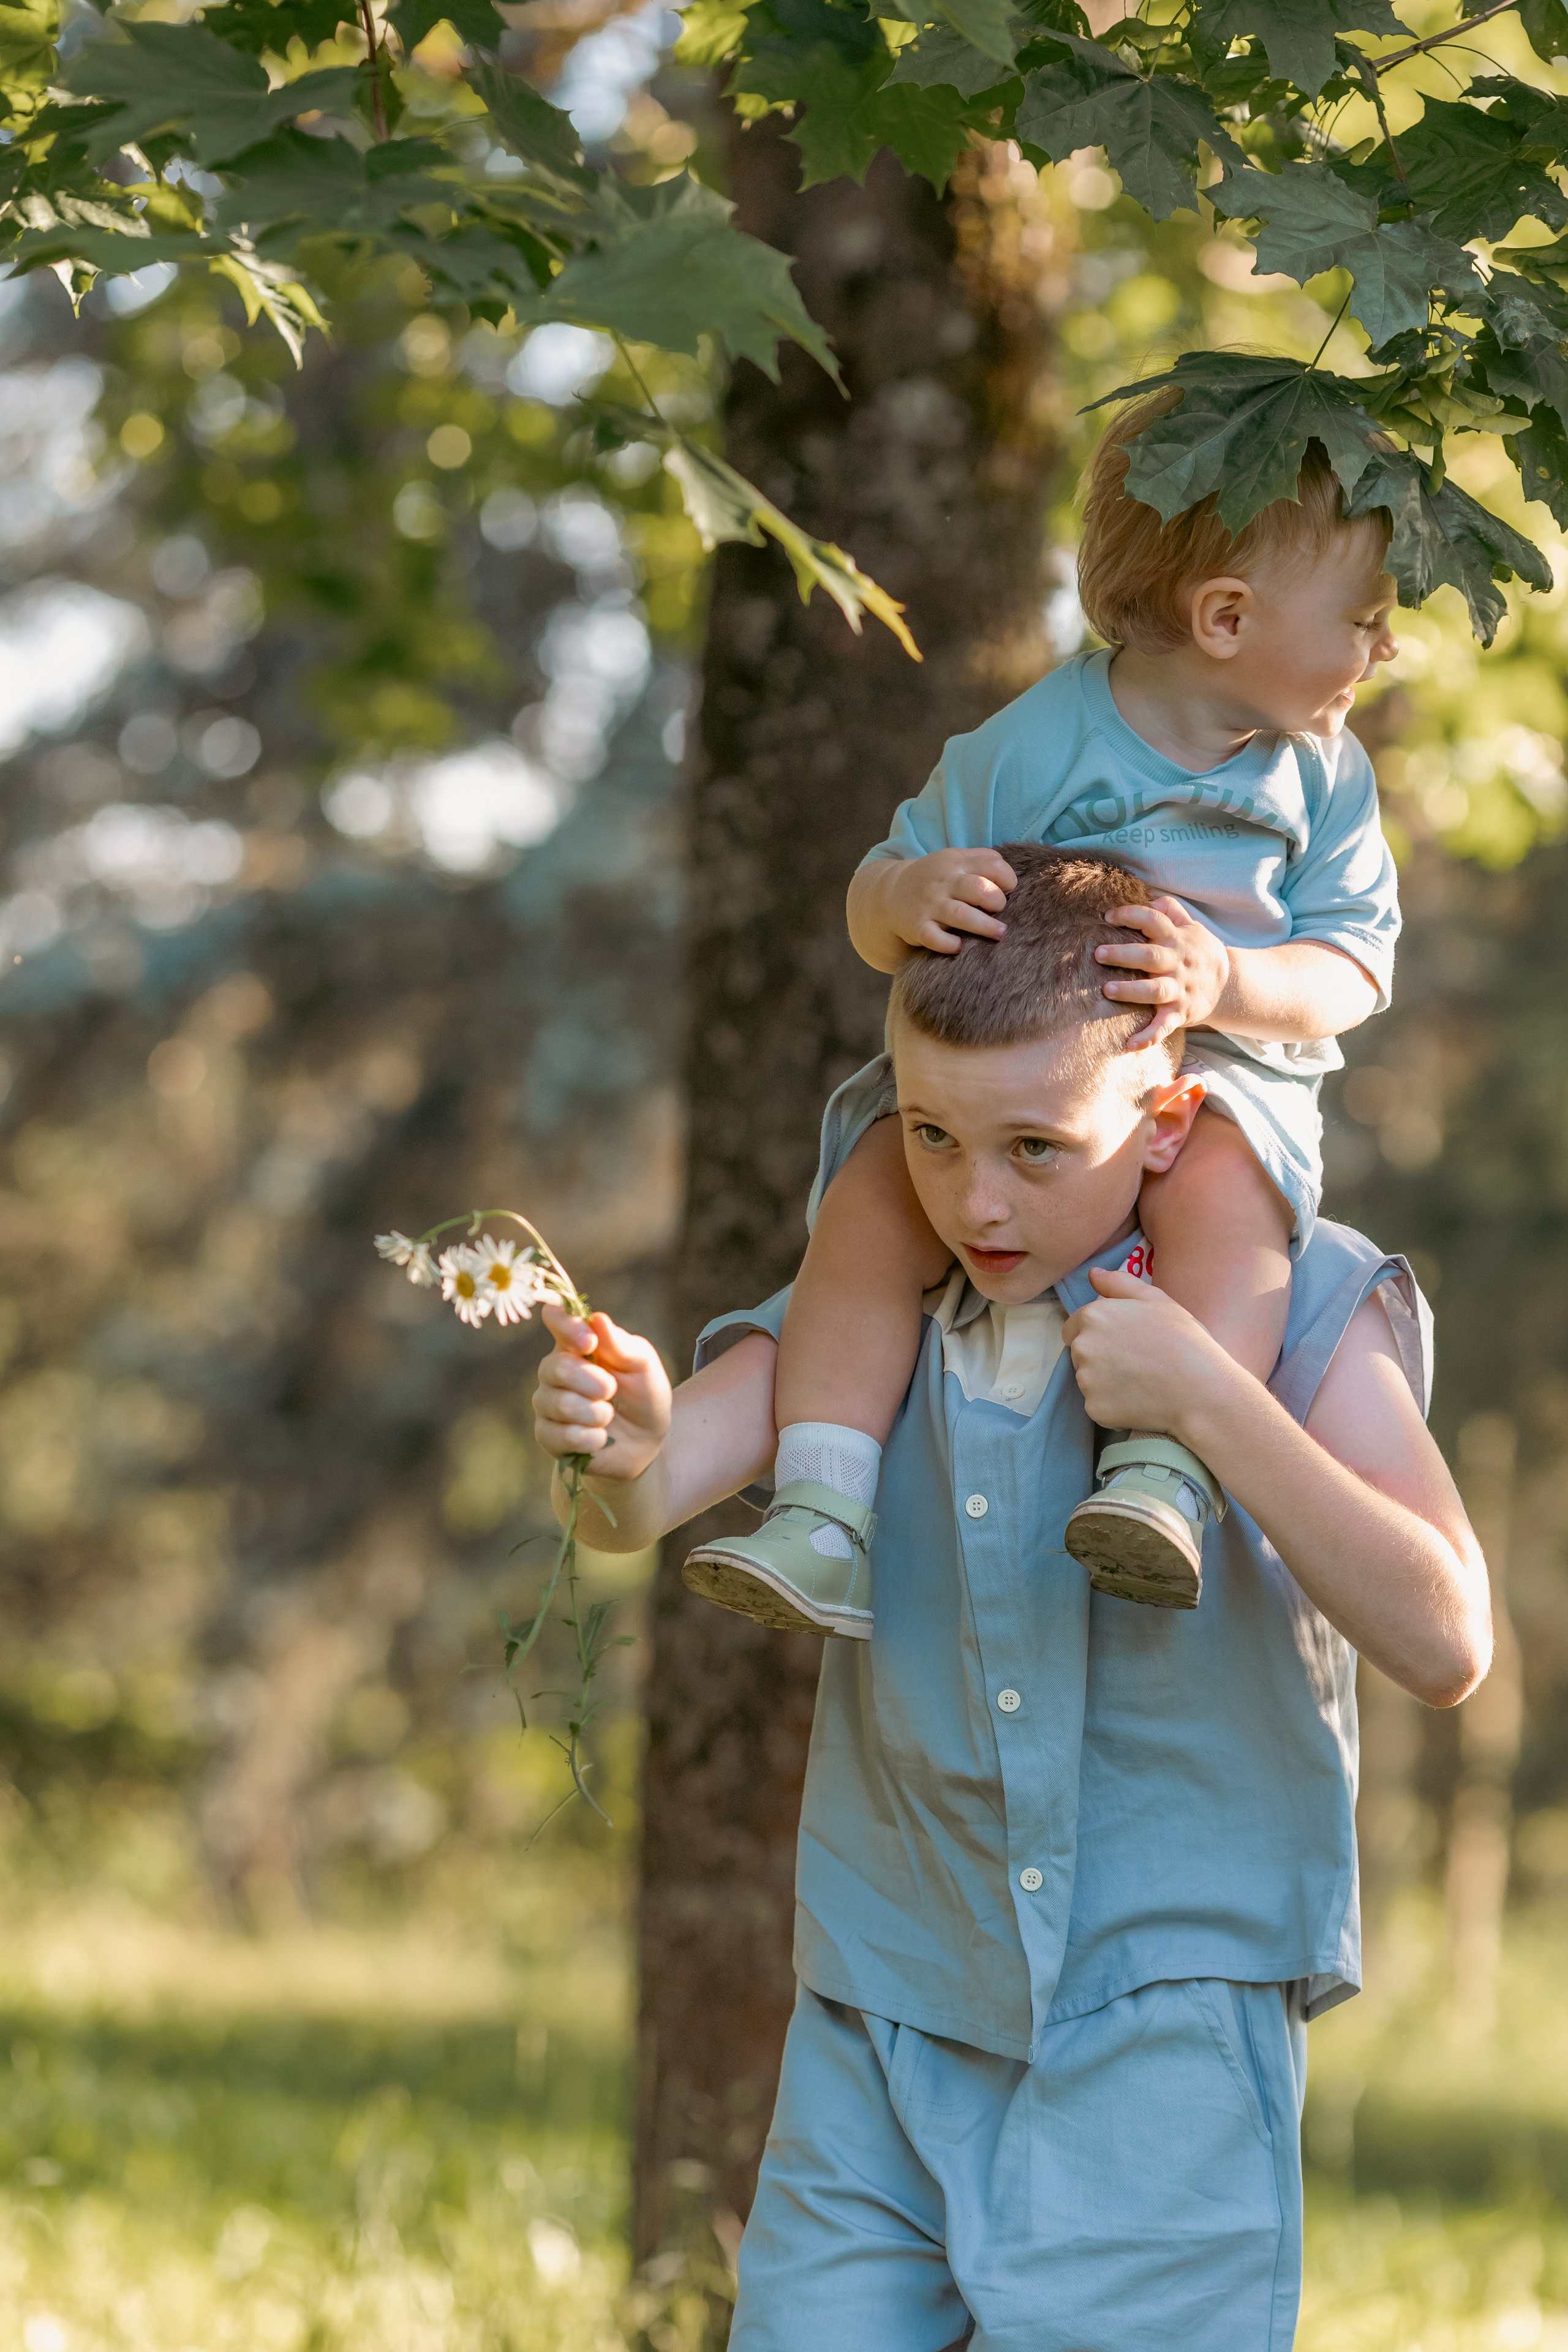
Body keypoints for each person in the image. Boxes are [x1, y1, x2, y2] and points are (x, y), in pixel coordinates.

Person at [531, 848, 1490, 2351]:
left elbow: (1446, 1640)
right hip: (884, 2007)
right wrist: (628, 1442)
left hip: (1161, 2017)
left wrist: (1211, 1408)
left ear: (1166, 1121)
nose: (972, 1200)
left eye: (1034, 1148)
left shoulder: (1305, 1304)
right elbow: (648, 1496)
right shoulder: (870, 1316)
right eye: (928, 1137)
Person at [678, 395, 1401, 1630]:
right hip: (1002, 1092)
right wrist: (909, 890)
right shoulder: (1031, 747)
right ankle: (821, 1507)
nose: (1382, 651)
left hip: (1219, 1079)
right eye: (1364, 622)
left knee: (1226, 1214)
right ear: (1224, 617)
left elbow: (1353, 966)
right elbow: (869, 897)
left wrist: (1228, 982)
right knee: (864, 1212)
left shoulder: (1321, 780)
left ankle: (1162, 1474)